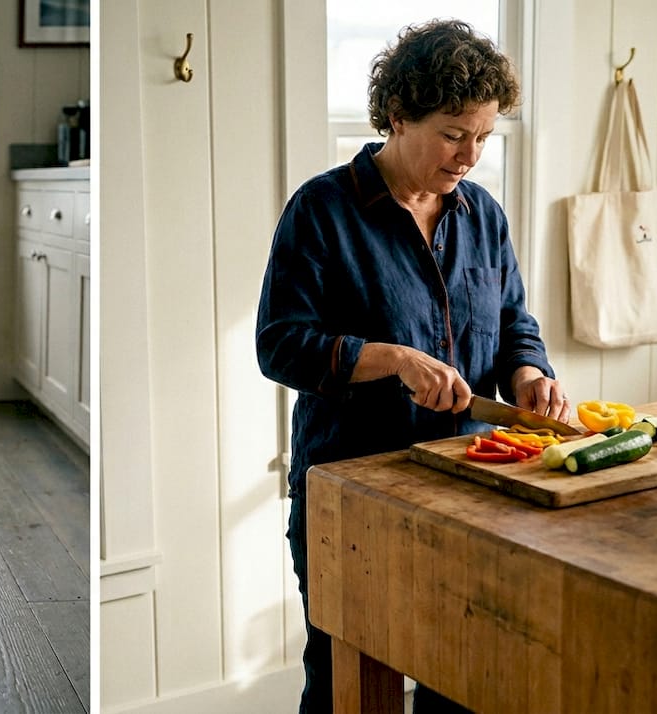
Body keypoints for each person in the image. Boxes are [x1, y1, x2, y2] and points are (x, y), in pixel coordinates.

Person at [255, 18, 571, 713]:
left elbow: (514, 319)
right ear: (398, 116)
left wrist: (528, 376)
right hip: (352, 490)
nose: (470, 154)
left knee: (458, 677)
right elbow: (279, 343)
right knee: (346, 684)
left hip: (470, 485)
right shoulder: (322, 211)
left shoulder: (483, 214)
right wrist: (391, 359)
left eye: (484, 136)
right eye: (454, 133)